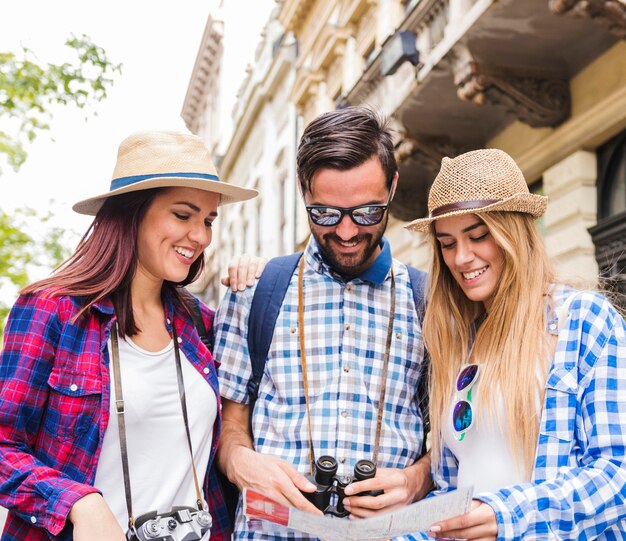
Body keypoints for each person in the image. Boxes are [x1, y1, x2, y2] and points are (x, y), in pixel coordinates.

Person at [0, 130, 258, 541]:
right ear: (132, 213)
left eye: (208, 220)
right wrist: (76, 502)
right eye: (183, 215)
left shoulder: (204, 325)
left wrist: (261, 282)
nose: (202, 236)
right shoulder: (51, 311)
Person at [214, 106, 432, 541]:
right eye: (326, 214)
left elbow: (452, 438)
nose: (348, 232)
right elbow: (226, 423)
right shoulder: (255, 291)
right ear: (302, 192)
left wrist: (416, 480)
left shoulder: (429, 301)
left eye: (368, 212)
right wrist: (241, 463)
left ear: (392, 187)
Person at [404, 148, 626, 540]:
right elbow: (455, 496)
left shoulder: (583, 321)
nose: (462, 257)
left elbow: (617, 475)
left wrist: (505, 515)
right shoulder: (456, 344)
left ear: (514, 233)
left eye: (478, 235)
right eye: (447, 242)